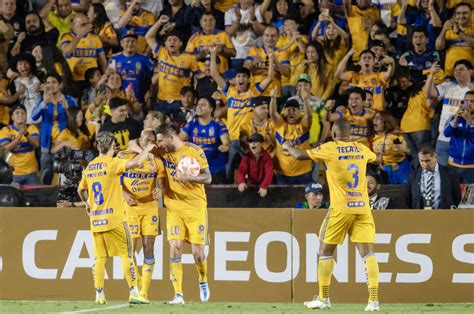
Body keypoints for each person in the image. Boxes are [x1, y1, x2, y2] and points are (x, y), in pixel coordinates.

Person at [282, 119, 380, 311]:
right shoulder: (361, 149)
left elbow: (300, 156)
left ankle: (323, 298)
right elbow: (375, 158)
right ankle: (373, 301)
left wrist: (286, 145)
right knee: (368, 253)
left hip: (341, 209)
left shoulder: (330, 148)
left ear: (334, 134)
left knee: (324, 251)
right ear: (350, 134)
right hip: (362, 208)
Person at [77, 131, 154, 305]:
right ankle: (134, 291)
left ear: (97, 146)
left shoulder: (90, 167)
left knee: (100, 257)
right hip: (115, 219)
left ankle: (99, 294)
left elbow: (80, 190)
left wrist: (88, 203)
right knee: (126, 254)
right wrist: (147, 148)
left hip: (96, 220)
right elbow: (135, 162)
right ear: (112, 146)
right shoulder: (113, 163)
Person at [153, 124, 212, 304]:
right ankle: (178, 294)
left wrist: (190, 178)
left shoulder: (195, 150)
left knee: (198, 254)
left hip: (195, 207)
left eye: (161, 140)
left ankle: (202, 279)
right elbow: (137, 143)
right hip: (174, 207)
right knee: (175, 248)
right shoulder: (162, 152)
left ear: (171, 137)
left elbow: (208, 178)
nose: (159, 144)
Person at [210, 45, 274, 182]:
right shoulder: (229, 90)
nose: (241, 79)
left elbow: (270, 77)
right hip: (233, 137)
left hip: (249, 139)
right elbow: (215, 74)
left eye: (244, 76)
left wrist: (271, 57)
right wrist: (213, 53)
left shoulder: (254, 91)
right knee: (230, 165)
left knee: (253, 166)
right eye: (238, 76)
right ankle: (227, 190)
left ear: (248, 79)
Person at [118, 129, 166, 302]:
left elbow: (162, 184)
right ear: (139, 139)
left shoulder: (157, 161)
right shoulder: (124, 155)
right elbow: (114, 179)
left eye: (152, 139)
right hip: (131, 208)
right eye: (146, 138)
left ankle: (144, 293)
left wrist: (159, 190)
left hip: (150, 208)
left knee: (149, 248)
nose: (149, 141)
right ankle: (134, 289)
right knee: (130, 250)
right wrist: (123, 193)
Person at [145, 21, 199, 116]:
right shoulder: (162, 52)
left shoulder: (189, 58)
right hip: (162, 100)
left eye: (175, 40)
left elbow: (197, 78)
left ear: (180, 44)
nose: (172, 42)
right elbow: (148, 37)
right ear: (165, 43)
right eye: (169, 40)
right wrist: (159, 22)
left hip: (180, 100)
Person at [32, 73, 77, 184]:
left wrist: (67, 107)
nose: (51, 85)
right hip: (46, 146)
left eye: (54, 82)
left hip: (63, 145)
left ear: (60, 85)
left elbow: (76, 120)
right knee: (45, 175)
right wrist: (44, 103)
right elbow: (34, 117)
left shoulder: (69, 100)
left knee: (64, 177)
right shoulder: (44, 101)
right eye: (48, 83)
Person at [428, 59, 473, 166]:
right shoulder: (448, 86)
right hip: (443, 138)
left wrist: (469, 84)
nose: (457, 72)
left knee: (462, 176)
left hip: (462, 141)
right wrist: (431, 75)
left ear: (470, 72)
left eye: (461, 69)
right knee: (442, 175)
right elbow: (430, 92)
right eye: (456, 70)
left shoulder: (472, 91)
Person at [180, 97, 230, 184]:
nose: (199, 107)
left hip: (216, 167)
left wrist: (225, 146)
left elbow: (226, 141)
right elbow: (178, 140)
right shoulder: (192, 123)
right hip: (197, 168)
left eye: (203, 105)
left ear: (211, 109)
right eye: (198, 105)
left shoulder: (218, 124)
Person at [271, 87, 312, 184]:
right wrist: (273, 99)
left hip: (303, 173)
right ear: (284, 112)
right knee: (282, 199)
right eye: (288, 109)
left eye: (294, 110)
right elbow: (272, 113)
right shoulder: (280, 123)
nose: (291, 112)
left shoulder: (303, 124)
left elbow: (309, 116)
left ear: (299, 112)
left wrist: (305, 100)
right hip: (282, 173)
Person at [407, 142, 461, 209]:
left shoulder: (450, 174)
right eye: (421, 161)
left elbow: (457, 197)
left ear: (435, 157)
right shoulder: (413, 175)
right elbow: (408, 198)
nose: (424, 164)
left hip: (444, 216)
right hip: (420, 216)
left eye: (427, 160)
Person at [60, 13, 107, 87]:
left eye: (87, 24)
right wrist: (79, 35)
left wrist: (105, 78)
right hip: (74, 79)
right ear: (74, 25)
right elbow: (66, 51)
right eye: (82, 25)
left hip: (92, 80)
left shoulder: (95, 38)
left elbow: (103, 63)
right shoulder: (66, 37)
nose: (86, 27)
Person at [244, 25, 290, 98]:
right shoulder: (254, 51)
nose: (269, 38)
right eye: (267, 35)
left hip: (274, 93)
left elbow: (287, 73)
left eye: (273, 36)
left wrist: (276, 63)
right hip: (255, 92)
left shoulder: (282, 53)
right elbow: (244, 70)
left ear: (278, 37)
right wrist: (253, 64)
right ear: (263, 36)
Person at [109, 32, 154, 107]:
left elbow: (151, 79)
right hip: (118, 100)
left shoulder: (145, 59)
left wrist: (149, 95)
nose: (130, 44)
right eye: (127, 41)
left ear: (137, 43)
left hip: (139, 99)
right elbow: (109, 78)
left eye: (133, 41)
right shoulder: (114, 59)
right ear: (121, 43)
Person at [0, 104, 40, 185]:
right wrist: (18, 139)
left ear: (26, 116)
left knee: (34, 197)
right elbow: (5, 149)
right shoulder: (6, 130)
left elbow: (36, 144)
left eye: (23, 113)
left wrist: (26, 134)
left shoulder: (32, 128)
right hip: (13, 173)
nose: (20, 115)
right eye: (17, 113)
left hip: (31, 173)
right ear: (12, 117)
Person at [371, 111, 411, 185]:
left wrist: (403, 149)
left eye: (379, 119)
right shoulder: (372, 138)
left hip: (401, 169)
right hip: (386, 171)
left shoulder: (394, 137)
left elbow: (408, 151)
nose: (375, 120)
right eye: (374, 118)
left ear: (386, 122)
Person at [435, 2, 474, 77]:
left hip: (470, 75)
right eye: (458, 13)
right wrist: (444, 29)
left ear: (471, 14)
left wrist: (459, 32)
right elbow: (438, 47)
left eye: (465, 13)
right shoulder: (449, 29)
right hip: (451, 74)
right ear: (455, 15)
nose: (461, 16)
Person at [443, 90, 474, 183]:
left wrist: (470, 122)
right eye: (466, 101)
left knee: (470, 197)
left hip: (471, 167)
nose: (469, 104)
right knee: (452, 195)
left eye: (472, 101)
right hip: (453, 165)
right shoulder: (454, 117)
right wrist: (456, 119)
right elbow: (446, 133)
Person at [236, 133, 273, 198]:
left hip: (264, 185)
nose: (253, 144)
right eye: (250, 142)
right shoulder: (246, 156)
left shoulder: (267, 157)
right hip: (251, 185)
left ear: (261, 144)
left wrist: (264, 186)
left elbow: (269, 173)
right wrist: (241, 181)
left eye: (256, 142)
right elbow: (241, 170)